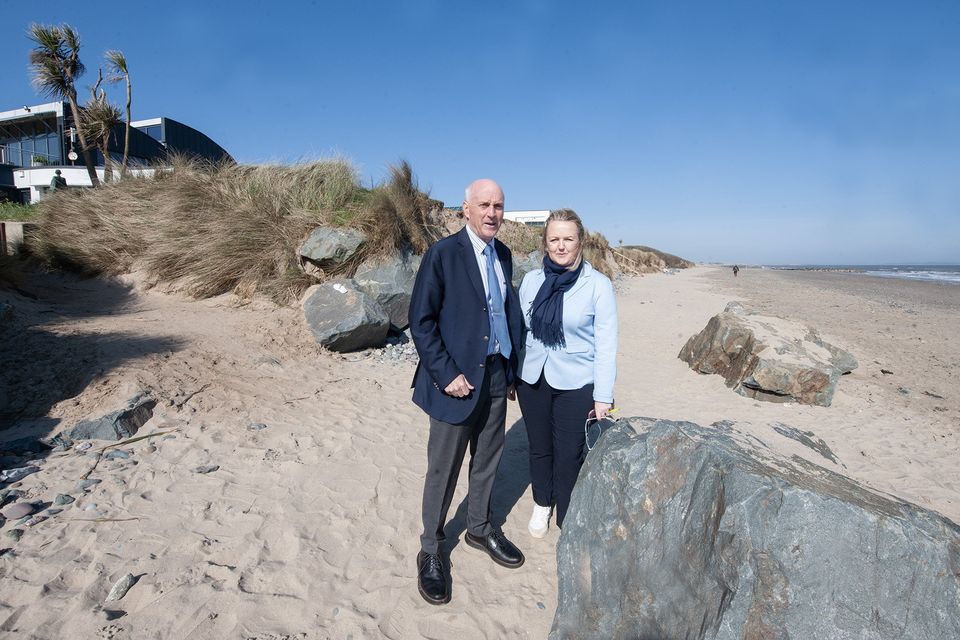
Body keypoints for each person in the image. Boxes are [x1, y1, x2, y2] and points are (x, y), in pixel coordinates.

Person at [408, 178, 525, 606]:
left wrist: (511, 370)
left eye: (498, 205)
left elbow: (503, 314)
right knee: (443, 470)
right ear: (466, 209)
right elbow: (420, 321)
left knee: (488, 461)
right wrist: (446, 374)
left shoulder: (505, 255)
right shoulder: (442, 255)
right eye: (484, 205)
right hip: (455, 382)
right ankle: (431, 549)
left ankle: (478, 528)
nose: (492, 213)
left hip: (496, 376)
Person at [517, 209, 618, 537]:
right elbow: (521, 332)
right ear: (545, 243)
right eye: (554, 239)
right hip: (532, 378)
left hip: (576, 383)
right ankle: (542, 503)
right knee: (539, 446)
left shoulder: (598, 286)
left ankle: (567, 514)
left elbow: (606, 345)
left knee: (569, 452)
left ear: (580, 241)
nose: (561, 246)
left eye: (568, 239)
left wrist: (603, 396)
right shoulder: (532, 281)